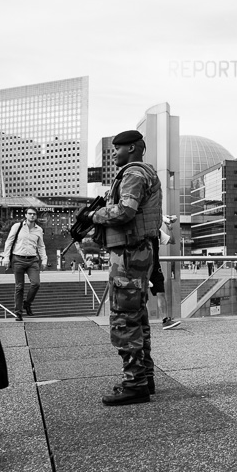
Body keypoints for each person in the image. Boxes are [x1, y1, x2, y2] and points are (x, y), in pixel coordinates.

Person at [77, 130, 163, 406]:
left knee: (124, 318)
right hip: (136, 252)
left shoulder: (133, 174)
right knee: (137, 316)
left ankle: (134, 383)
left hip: (128, 255)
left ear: (135, 148)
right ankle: (144, 377)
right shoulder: (140, 173)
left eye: (119, 149)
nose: (115, 153)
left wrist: (92, 215)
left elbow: (125, 211)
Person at [2, 207, 46, 321]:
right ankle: (18, 312)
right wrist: (6, 257)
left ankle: (27, 303)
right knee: (19, 287)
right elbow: (9, 241)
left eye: (34, 214)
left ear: (36, 216)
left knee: (36, 283)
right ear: (26, 215)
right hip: (18, 259)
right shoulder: (17, 226)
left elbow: (41, 246)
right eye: (30, 214)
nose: (32, 216)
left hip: (32, 260)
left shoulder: (39, 230)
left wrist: (44, 259)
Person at [152, 214, 180, 330]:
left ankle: (165, 320)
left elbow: (172, 240)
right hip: (142, 265)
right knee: (140, 293)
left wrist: (170, 228)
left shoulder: (158, 232)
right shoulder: (141, 230)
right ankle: (136, 320)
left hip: (155, 265)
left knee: (160, 292)